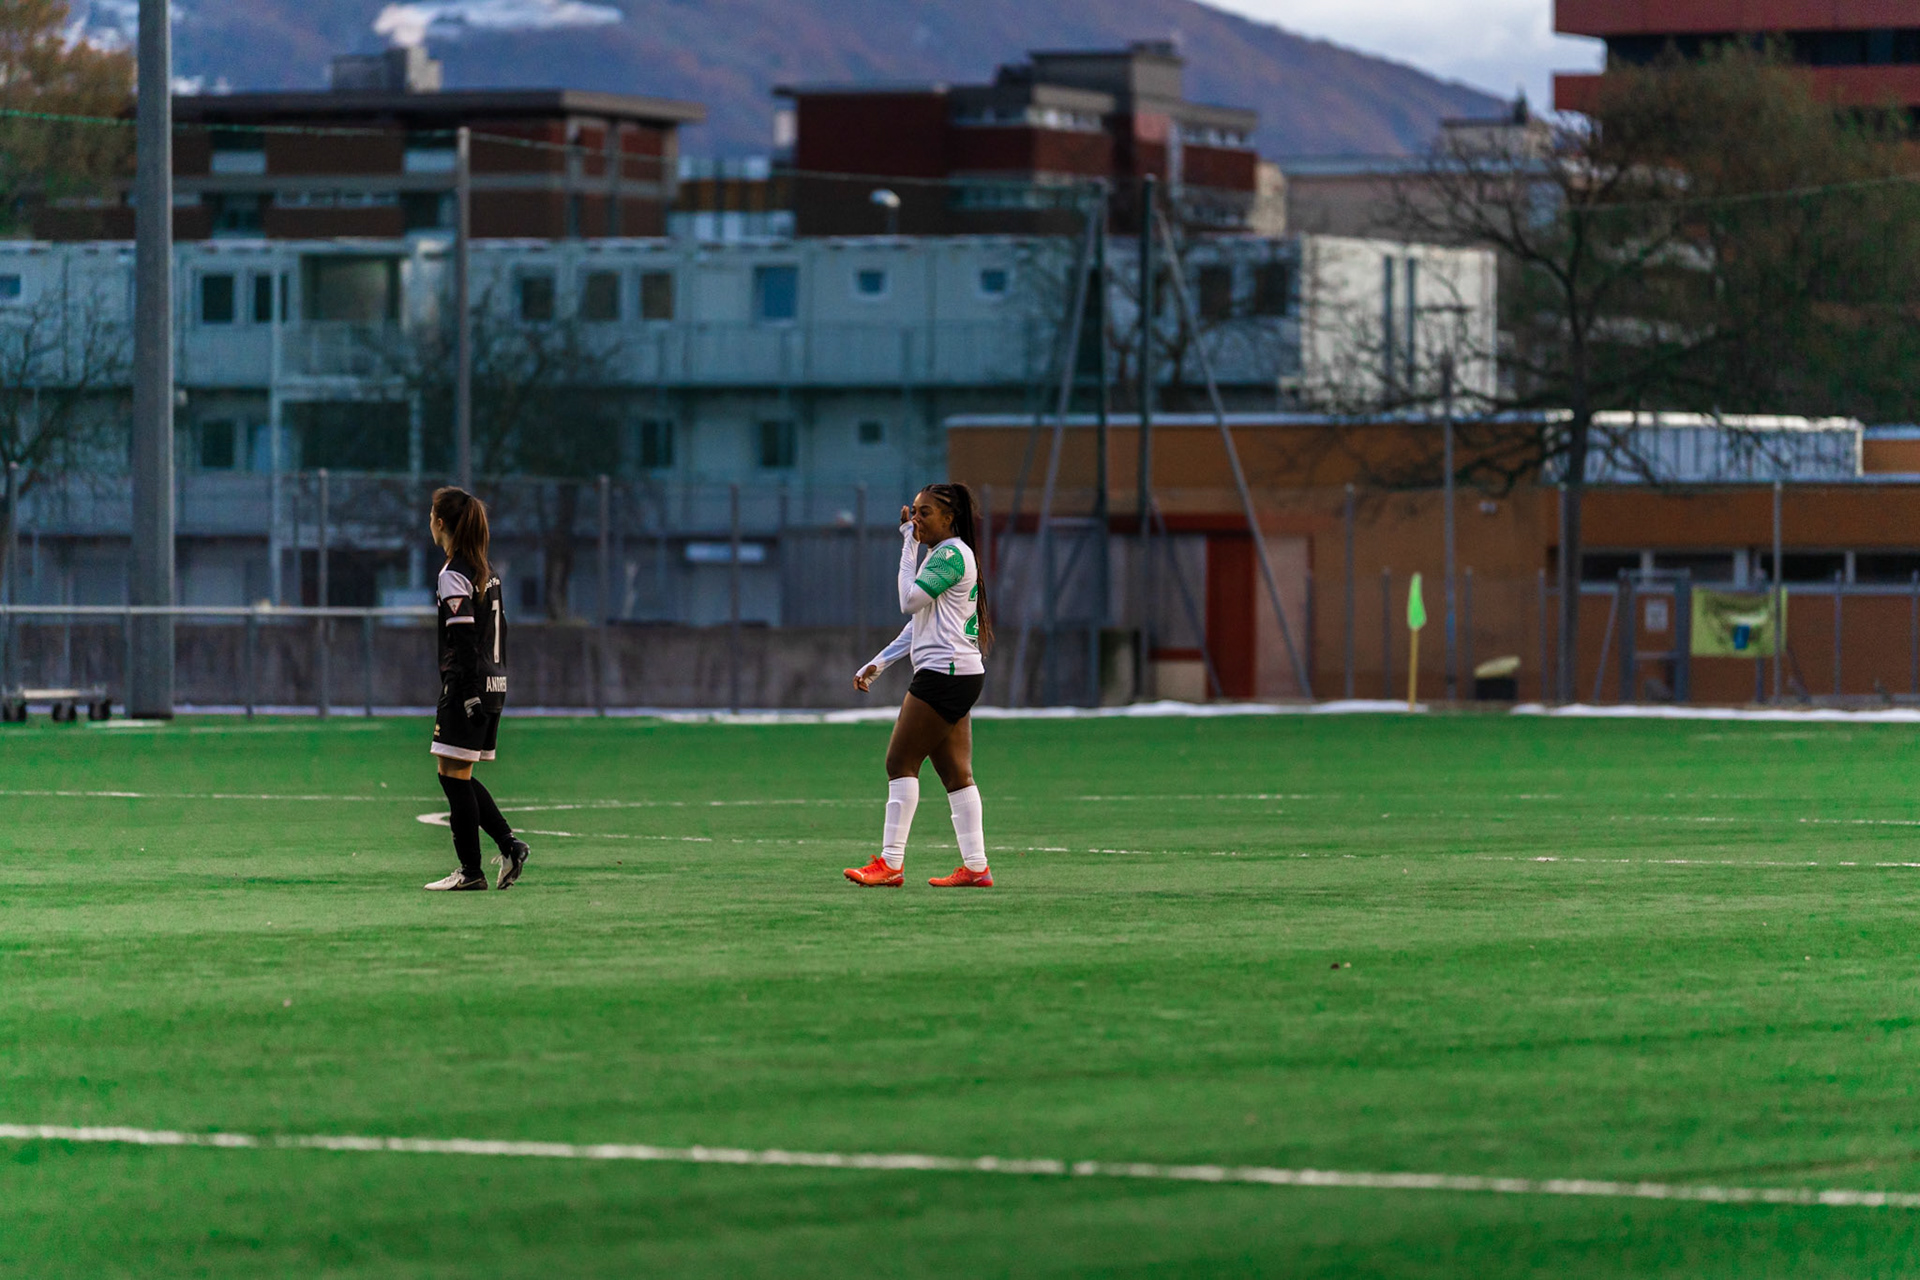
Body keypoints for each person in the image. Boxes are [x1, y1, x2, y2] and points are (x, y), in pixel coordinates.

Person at [844, 483, 994, 889]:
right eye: (915, 512)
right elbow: (921, 623)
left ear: (950, 518)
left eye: (925, 513)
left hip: (944, 675)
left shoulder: (948, 554)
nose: (916, 520)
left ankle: (891, 863)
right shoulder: (946, 554)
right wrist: (881, 661)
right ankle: (977, 868)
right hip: (959, 673)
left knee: (900, 762)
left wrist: (907, 545)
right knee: (956, 774)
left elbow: (908, 601)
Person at [424, 486, 531, 891]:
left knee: (453, 777)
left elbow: (464, 640)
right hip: (494, 684)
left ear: (439, 522)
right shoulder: (487, 569)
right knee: (455, 775)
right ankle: (508, 846)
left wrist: (465, 693)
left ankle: (471, 872)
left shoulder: (454, 574)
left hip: (468, 687)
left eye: (430, 515)